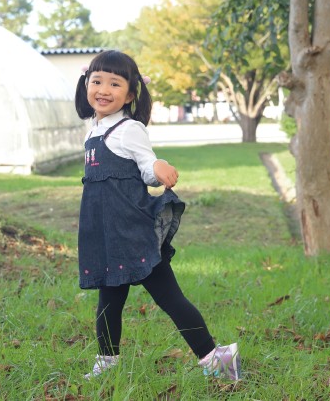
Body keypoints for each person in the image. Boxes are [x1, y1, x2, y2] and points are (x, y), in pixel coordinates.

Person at [74, 50, 241, 381]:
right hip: (106, 233)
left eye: (114, 83)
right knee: (109, 301)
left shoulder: (129, 129)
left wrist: (158, 166)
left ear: (130, 94)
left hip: (133, 232)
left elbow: (146, 166)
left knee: (169, 297)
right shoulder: (93, 131)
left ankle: (218, 360)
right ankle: (106, 362)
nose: (103, 90)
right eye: (97, 81)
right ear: (86, 85)